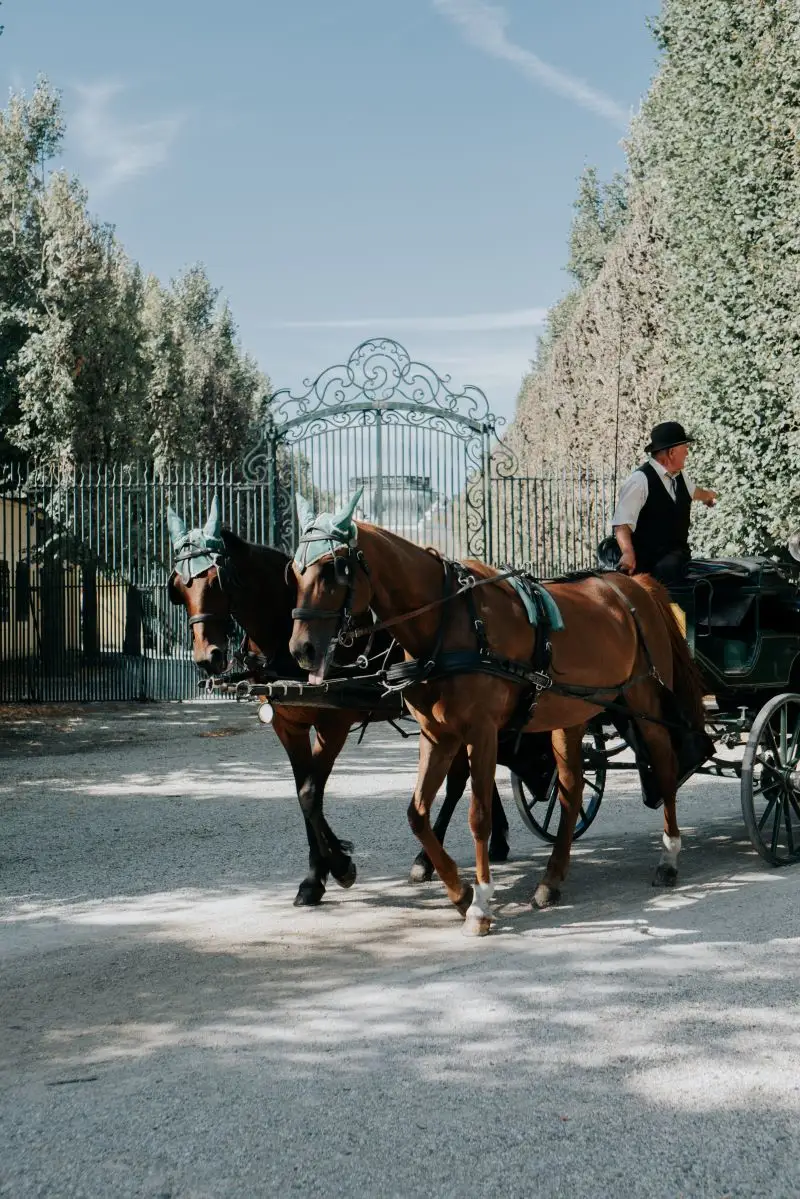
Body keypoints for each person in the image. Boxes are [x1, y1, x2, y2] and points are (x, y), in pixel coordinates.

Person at [610, 421, 717, 586]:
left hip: (677, 562)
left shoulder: (680, 478)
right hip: (647, 569)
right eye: (685, 448)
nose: (687, 453)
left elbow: (696, 492)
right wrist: (627, 552)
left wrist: (709, 497)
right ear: (672, 452)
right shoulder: (639, 481)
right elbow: (622, 524)